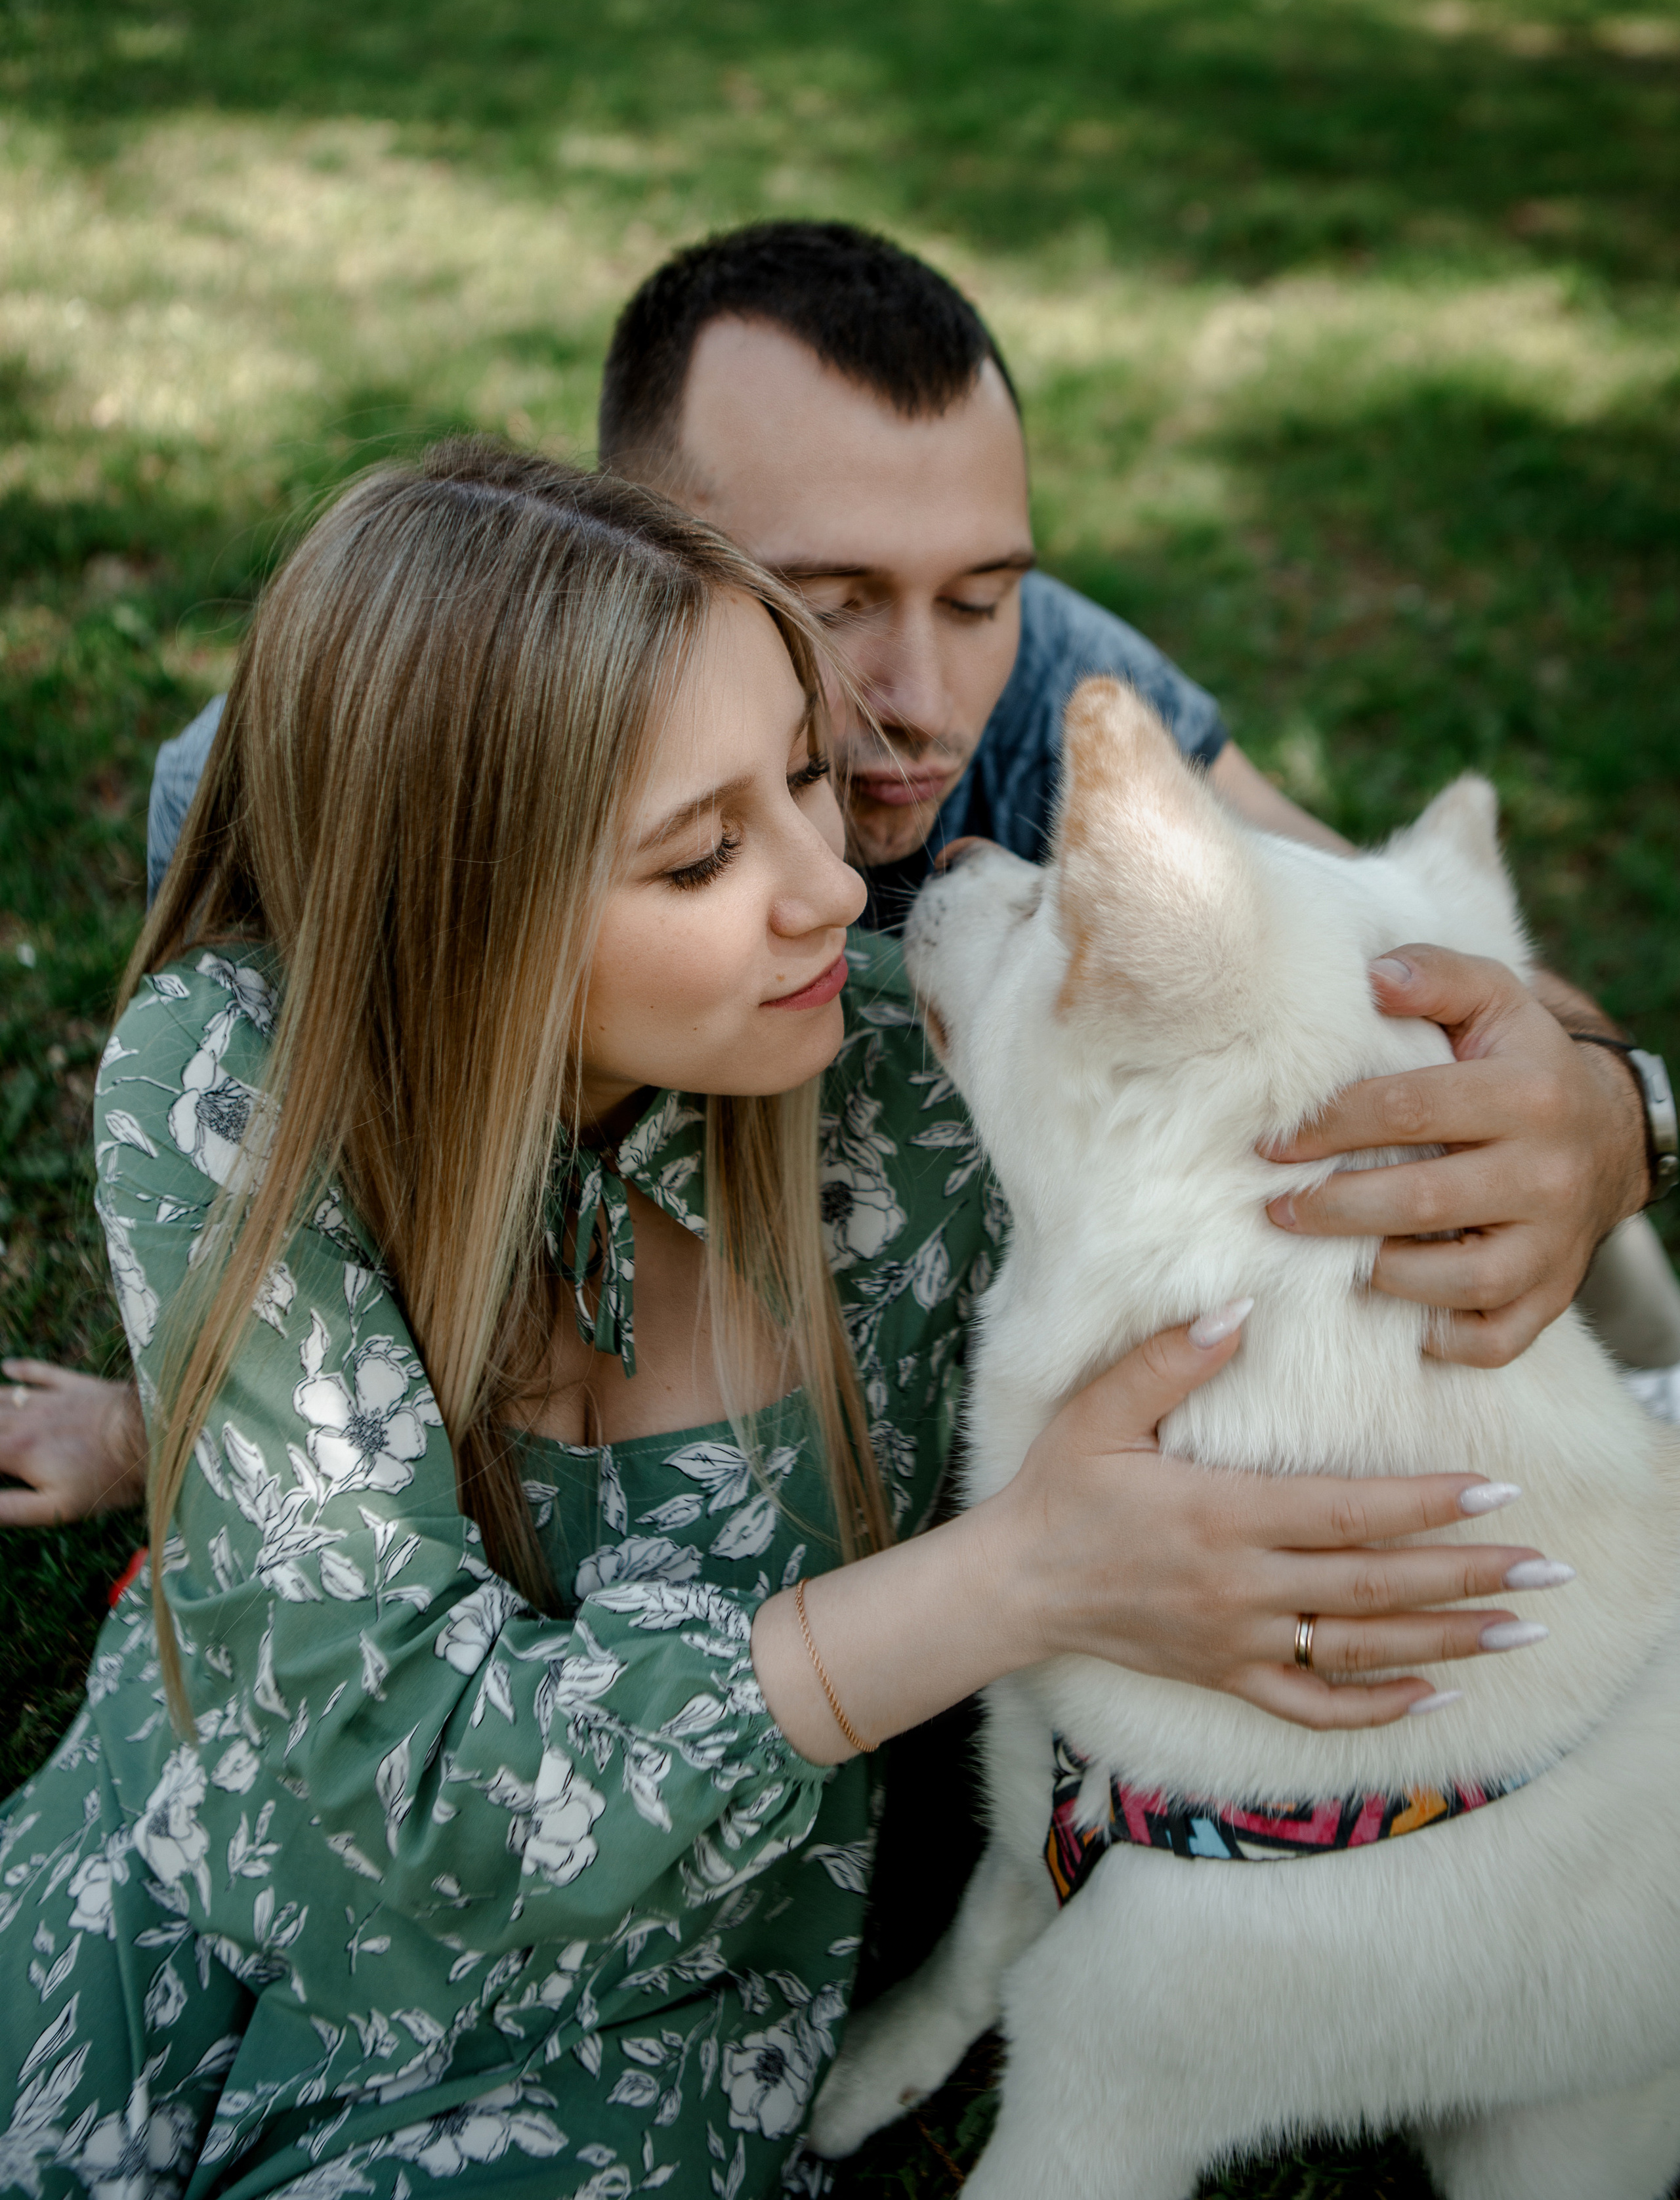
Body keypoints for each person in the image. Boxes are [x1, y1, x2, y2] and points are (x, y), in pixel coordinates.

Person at [0, 444, 1548, 2200]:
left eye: (808, 779)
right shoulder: (231, 1082)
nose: (832, 888)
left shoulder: (937, 1092)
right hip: (180, 1858)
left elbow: (1382, 1106)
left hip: (626, 2030)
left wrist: (1615, 1118)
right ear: (461, 908)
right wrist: (1017, 1578)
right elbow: (391, 1767)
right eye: (704, 852)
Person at [5, 223, 1675, 1523]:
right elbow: (331, 1234)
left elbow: (1441, 975)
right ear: (627, 549)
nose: (925, 705)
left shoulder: (1042, 693)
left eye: (980, 591)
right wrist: (177, 1426)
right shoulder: (342, 783)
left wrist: (1611, 1114)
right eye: (834, 597)